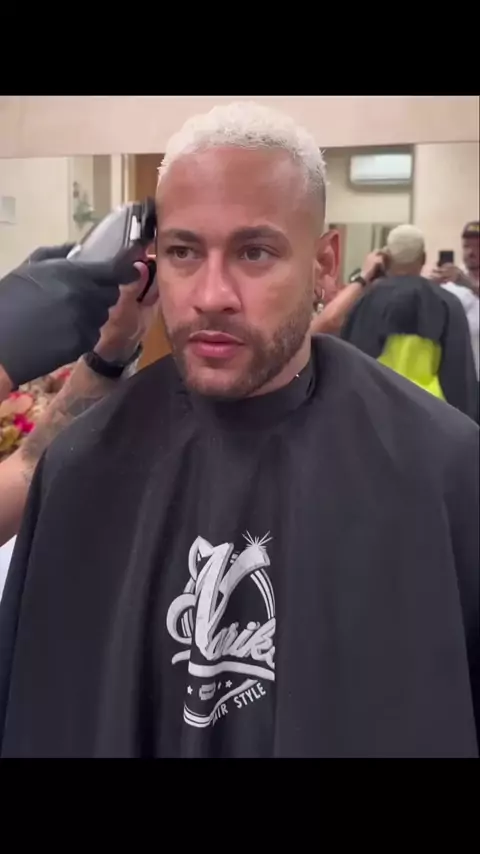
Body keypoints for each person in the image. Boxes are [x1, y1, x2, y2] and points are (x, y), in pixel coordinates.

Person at [0, 102, 478, 759]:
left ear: (325, 262)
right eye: (183, 252)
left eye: (255, 252)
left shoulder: (443, 469)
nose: (211, 294)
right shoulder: (81, 463)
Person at [341, 225, 478, 420]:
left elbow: (348, 367)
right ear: (423, 258)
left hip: (374, 415)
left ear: (386, 259)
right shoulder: (447, 304)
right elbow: (459, 378)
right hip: (431, 419)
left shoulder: (364, 302)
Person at [429, 221, 479, 379]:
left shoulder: (462, 280)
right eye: (466, 246)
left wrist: (469, 284)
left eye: (477, 246)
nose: (471, 252)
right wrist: (430, 288)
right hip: (461, 375)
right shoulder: (450, 282)